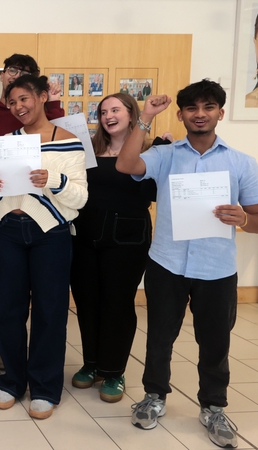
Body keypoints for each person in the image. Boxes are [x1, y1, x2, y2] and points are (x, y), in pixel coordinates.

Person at [117, 80, 258, 449]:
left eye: (208, 107)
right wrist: (146, 116)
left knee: (215, 342)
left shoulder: (241, 163)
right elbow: (126, 164)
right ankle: (154, 396)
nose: (200, 114)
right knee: (159, 337)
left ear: (220, 112)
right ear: (181, 114)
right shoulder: (166, 155)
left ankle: (213, 407)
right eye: (192, 108)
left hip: (216, 269)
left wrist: (243, 219)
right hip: (167, 263)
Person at [0, 74, 87, 419]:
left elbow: (81, 198)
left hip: (51, 233)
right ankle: (13, 381)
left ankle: (44, 387)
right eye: (12, 102)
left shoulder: (69, 141)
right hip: (8, 231)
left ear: (42, 97)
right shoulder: (8, 142)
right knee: (7, 309)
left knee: (50, 311)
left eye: (24, 99)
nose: (18, 107)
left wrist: (52, 180)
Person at [0, 53, 64, 370]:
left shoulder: (45, 113)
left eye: (23, 72)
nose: (14, 75)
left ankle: (2, 347)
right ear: (2, 76)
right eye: (10, 70)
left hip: (28, 209)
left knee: (14, 285)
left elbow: (60, 147)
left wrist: (56, 104)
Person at [69, 93, 156, 404]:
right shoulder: (88, 150)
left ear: (131, 114)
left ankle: (114, 371)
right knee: (86, 301)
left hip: (127, 238)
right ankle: (92, 364)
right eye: (103, 112)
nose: (108, 116)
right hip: (85, 234)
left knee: (117, 303)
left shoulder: (151, 150)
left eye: (115, 110)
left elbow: (155, 192)